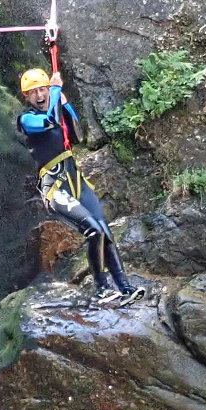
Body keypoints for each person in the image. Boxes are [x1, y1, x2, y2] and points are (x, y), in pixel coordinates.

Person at [17, 65, 143, 306]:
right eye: (34, 92)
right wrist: (55, 90)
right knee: (93, 231)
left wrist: (65, 104)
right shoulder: (26, 119)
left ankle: (125, 287)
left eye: (42, 89)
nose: (40, 95)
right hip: (55, 186)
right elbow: (49, 122)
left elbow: (76, 135)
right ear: (27, 97)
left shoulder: (54, 104)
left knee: (105, 233)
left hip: (76, 181)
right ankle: (102, 289)